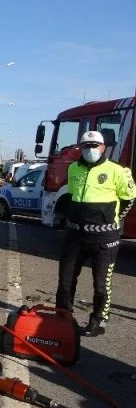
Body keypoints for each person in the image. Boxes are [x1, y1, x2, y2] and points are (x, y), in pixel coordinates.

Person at [55, 130, 136, 336]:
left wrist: (113, 219)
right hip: (75, 235)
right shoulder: (74, 168)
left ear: (103, 147)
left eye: (94, 146)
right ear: (80, 148)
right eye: (86, 146)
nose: (90, 150)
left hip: (104, 238)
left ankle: (98, 320)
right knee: (65, 280)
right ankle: (63, 317)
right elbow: (72, 196)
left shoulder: (118, 170)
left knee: (101, 284)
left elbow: (129, 198)